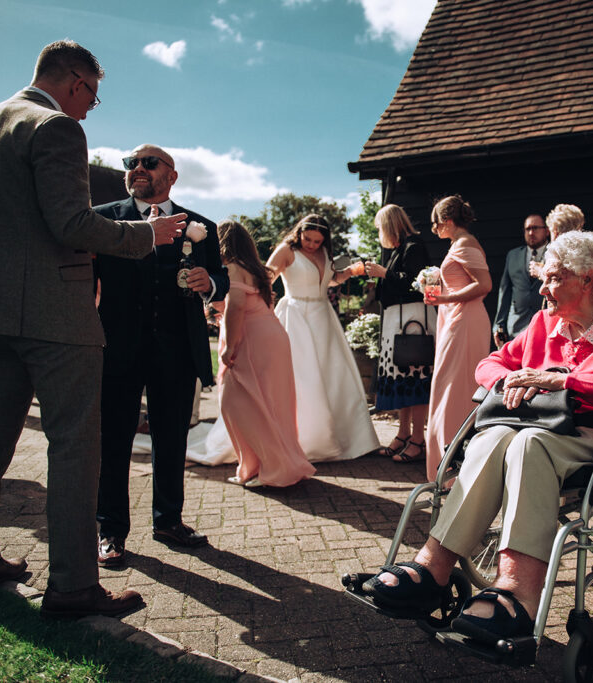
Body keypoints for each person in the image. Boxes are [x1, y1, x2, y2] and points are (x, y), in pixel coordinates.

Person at [0, 40, 186, 616]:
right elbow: (72, 224)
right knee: (77, 445)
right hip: (52, 311)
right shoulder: (55, 128)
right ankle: (74, 585)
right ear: (76, 82)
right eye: (92, 99)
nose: (87, 111)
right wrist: (149, 236)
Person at [362, 231, 593, 643]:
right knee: (493, 435)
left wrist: (565, 383)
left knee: (526, 443)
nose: (542, 288)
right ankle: (434, 567)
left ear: (588, 280)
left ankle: (519, 592)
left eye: (553, 277)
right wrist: (509, 379)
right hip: (533, 429)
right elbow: (490, 363)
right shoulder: (543, 322)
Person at [93, 143, 229, 567]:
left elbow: (221, 280)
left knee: (171, 439)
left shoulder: (199, 226)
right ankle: (110, 531)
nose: (137, 169)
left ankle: (169, 520)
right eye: (130, 163)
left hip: (175, 349)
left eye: (148, 163)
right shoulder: (102, 219)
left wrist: (210, 284)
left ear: (171, 175)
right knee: (113, 438)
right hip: (117, 346)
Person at [267, 214, 380, 461]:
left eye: (317, 241)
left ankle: (347, 438)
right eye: (308, 239)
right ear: (299, 233)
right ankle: (305, 439)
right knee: (302, 375)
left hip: (323, 317)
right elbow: (267, 277)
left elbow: (331, 281)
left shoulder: (324, 253)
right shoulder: (286, 250)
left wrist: (350, 271)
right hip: (295, 315)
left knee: (334, 373)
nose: (311, 245)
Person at [215, 220, 315, 487]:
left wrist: (230, 347)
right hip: (272, 336)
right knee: (271, 404)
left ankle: (272, 469)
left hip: (254, 340)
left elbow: (236, 308)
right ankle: (258, 467)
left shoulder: (234, 267)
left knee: (238, 404)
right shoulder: (255, 268)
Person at [423, 196, 492, 481]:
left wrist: (446, 297)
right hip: (455, 318)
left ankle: (455, 464)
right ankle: (449, 460)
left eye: (435, 223)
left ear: (448, 221)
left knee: (456, 388)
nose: (434, 229)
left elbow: (484, 284)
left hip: (466, 320)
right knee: (448, 385)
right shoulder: (458, 245)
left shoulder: (464, 244)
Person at [363, 205, 434, 463]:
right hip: (398, 318)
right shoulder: (399, 249)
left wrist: (384, 273)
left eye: (381, 228)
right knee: (402, 378)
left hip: (412, 318)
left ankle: (417, 438)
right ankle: (403, 434)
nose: (380, 233)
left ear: (390, 225)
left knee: (414, 377)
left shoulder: (413, 246)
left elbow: (416, 282)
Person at [494, 213, 548, 347]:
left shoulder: (553, 253)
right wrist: (499, 325)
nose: (531, 232)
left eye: (535, 228)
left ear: (546, 231)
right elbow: (504, 291)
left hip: (545, 325)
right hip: (516, 325)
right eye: (527, 229)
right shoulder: (513, 255)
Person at [527, 204, 584, 277]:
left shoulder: (558, 253)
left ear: (555, 231)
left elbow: (563, 281)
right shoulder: (588, 250)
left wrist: (540, 272)